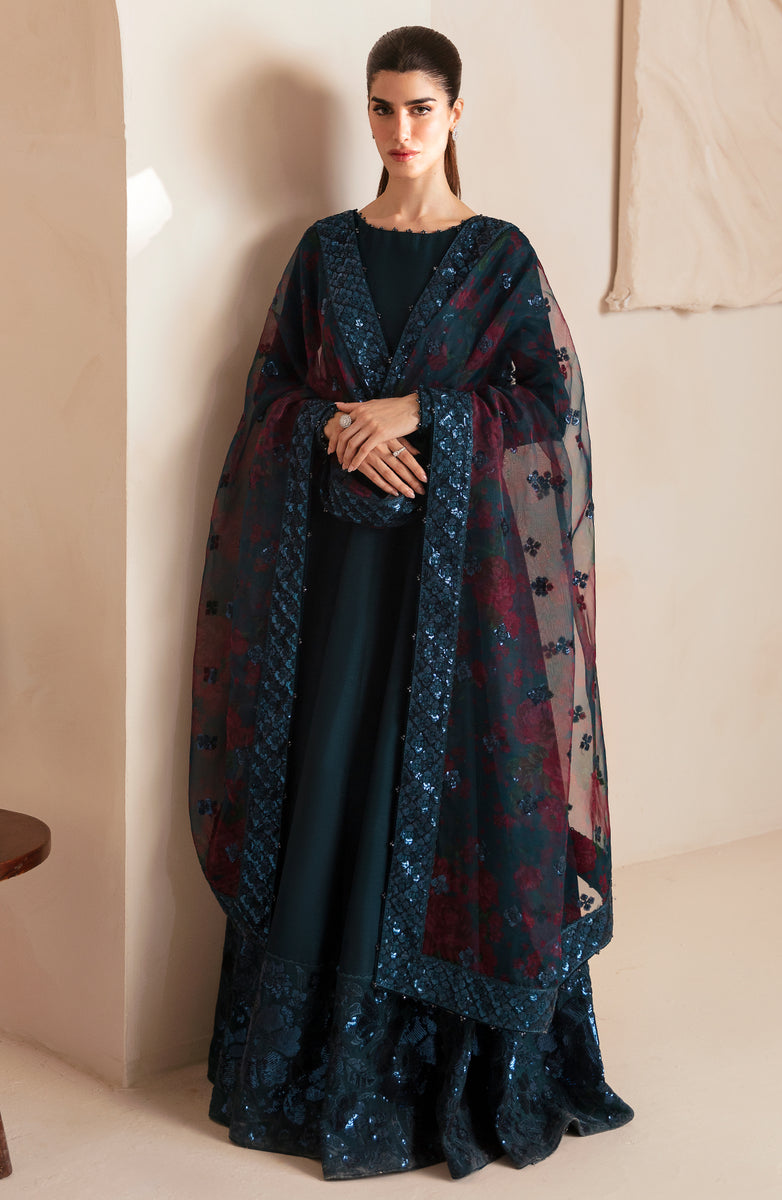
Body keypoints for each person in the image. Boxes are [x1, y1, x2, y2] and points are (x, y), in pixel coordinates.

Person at [189, 24, 634, 1181]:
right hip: (340, 585)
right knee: (336, 777)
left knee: (453, 795)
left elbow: (548, 408)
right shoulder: (321, 252)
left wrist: (423, 411)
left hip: (462, 604)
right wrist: (334, 426)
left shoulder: (497, 256)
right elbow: (267, 395)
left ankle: (457, 1070)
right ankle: (315, 1061)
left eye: (420, 108)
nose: (398, 130)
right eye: (382, 108)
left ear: (455, 114)